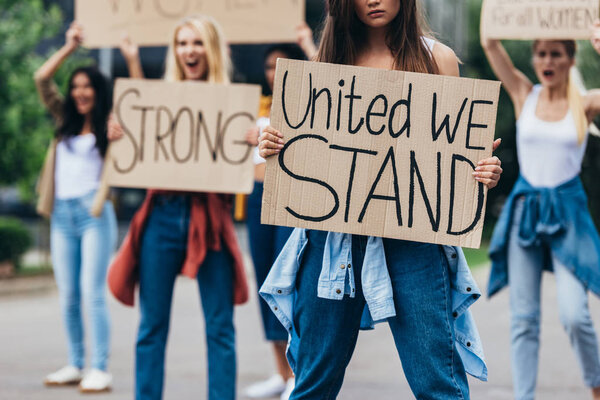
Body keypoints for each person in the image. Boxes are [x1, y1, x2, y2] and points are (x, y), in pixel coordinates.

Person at [257, 0, 503, 398]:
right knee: (312, 385)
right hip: (333, 240)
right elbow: (305, 150)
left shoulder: (437, 59)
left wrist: (482, 173)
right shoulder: (326, 61)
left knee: (437, 384)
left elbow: (457, 164)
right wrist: (275, 146)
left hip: (415, 242)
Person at [107, 15, 249, 400]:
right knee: (152, 325)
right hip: (163, 215)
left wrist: (254, 138)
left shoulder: (234, 105)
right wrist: (120, 133)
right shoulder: (160, 100)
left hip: (211, 217)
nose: (190, 50)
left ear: (212, 50)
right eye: (183, 43)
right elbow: (135, 150)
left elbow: (248, 164)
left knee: (220, 326)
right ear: (175, 51)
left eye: (198, 43)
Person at [482, 18, 600, 400]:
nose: (548, 60)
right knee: (524, 319)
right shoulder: (522, 94)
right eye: (542, 53)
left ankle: (596, 382)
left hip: (568, 211)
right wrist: (497, 15)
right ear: (534, 59)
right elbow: (490, 45)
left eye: (556, 53)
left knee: (574, 314)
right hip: (526, 210)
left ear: (570, 58)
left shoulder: (585, 103)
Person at [35, 22, 117, 392]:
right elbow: (41, 77)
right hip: (62, 215)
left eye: (87, 87)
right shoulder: (63, 121)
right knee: (67, 293)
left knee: (91, 292)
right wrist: (69, 47)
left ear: (98, 93)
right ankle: (75, 362)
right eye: (76, 87)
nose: (80, 93)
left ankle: (99, 367)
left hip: (94, 215)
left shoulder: (110, 128)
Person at [243, 43, 309, 400]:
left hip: (289, 200)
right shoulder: (255, 107)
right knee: (265, 281)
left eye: (281, 65)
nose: (274, 72)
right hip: (256, 199)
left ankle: (299, 372)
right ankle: (280, 373)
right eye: (269, 66)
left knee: (290, 284)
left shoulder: (307, 105)